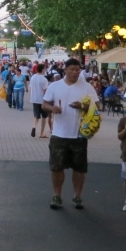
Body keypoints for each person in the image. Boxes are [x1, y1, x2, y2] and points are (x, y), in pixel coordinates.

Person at [42, 57, 96, 210]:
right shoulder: (55, 86)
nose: (75, 72)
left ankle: (77, 196)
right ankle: (57, 195)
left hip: (79, 134)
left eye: (77, 70)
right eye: (71, 69)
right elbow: (44, 103)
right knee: (57, 168)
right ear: (64, 70)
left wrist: (84, 105)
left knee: (79, 169)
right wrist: (52, 109)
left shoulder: (86, 87)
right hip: (59, 134)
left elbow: (97, 105)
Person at [30, 66, 50, 138]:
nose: (45, 70)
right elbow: (45, 91)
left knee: (36, 115)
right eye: (44, 68)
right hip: (42, 100)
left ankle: (34, 126)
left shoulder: (33, 77)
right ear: (42, 69)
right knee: (44, 116)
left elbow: (31, 87)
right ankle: (42, 133)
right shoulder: (44, 79)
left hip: (34, 99)